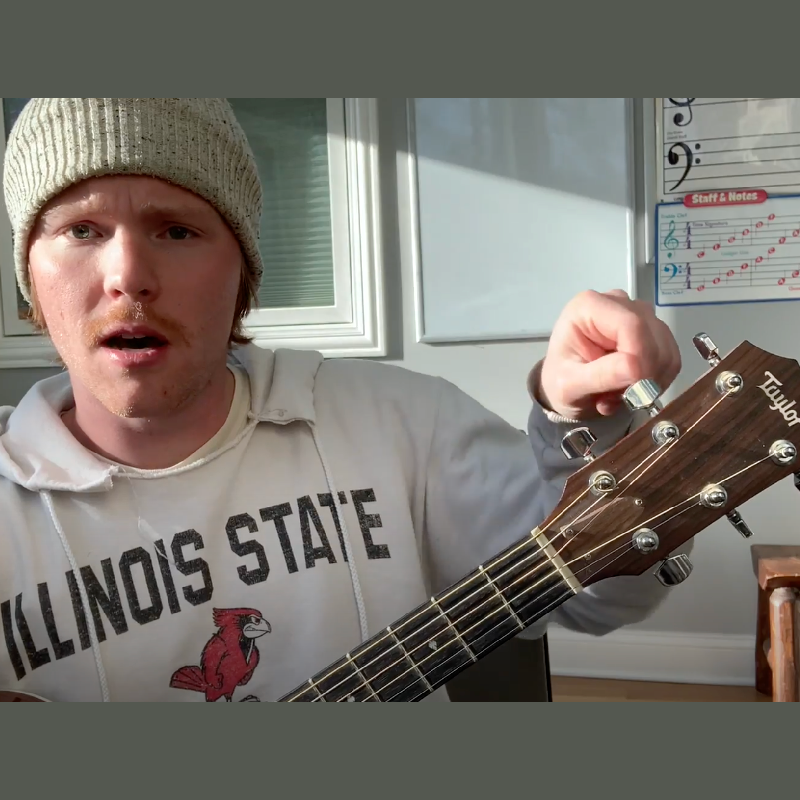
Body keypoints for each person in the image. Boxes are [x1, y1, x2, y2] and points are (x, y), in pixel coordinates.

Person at [0, 98, 685, 703]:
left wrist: (587, 419)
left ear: (242, 271)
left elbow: (605, 594)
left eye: (177, 230)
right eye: (80, 231)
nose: (129, 277)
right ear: (29, 275)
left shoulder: (407, 427)